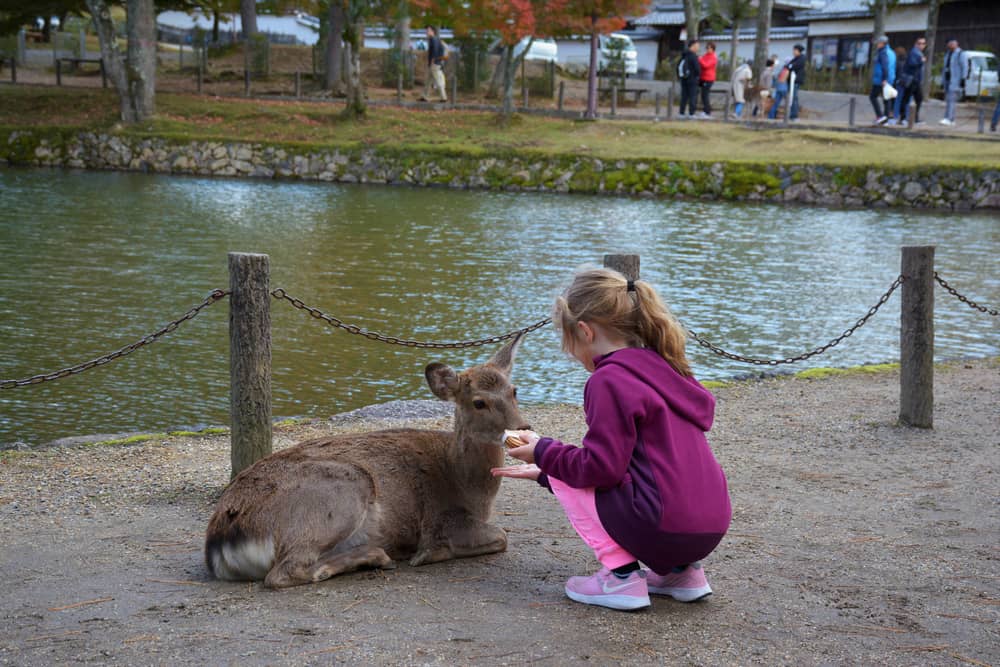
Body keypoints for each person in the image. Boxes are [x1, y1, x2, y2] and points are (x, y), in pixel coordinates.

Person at [492, 268, 732, 611]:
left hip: (663, 526)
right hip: (709, 527)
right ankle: (683, 574)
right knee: (575, 468)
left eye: (567, 343)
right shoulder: (670, 368)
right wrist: (547, 472)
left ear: (585, 332)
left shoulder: (608, 380)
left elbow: (601, 470)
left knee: (570, 466)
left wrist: (543, 452)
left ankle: (621, 579)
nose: (570, 353)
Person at [890, 36, 927, 126]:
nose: (921, 45)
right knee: (909, 98)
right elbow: (912, 64)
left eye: (923, 43)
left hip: (913, 80)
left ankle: (909, 118)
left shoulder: (918, 53)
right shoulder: (914, 53)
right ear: (915, 44)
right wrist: (921, 61)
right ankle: (906, 118)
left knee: (911, 98)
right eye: (919, 43)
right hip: (911, 80)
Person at [939, 38, 969, 126]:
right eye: (949, 44)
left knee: (951, 100)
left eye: (952, 43)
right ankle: (951, 119)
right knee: (948, 100)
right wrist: (942, 81)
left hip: (955, 80)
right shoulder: (948, 54)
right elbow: (945, 68)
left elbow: (965, 66)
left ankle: (948, 118)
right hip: (947, 80)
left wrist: (963, 79)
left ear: (956, 44)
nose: (951, 45)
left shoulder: (961, 54)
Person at [869, 35, 897, 125]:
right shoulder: (892, 52)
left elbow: (885, 67)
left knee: (873, 96)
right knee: (886, 99)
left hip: (881, 79)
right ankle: (886, 119)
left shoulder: (882, 53)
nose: (877, 44)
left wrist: (884, 79)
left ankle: (880, 116)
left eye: (878, 42)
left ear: (882, 43)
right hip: (890, 79)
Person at [420, 26, 448, 103]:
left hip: (435, 64)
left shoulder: (433, 39)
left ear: (433, 32)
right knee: (428, 81)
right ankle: (424, 96)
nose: (426, 32)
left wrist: (432, 61)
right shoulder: (436, 39)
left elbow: (435, 51)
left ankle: (443, 97)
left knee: (438, 80)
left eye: (428, 30)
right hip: (436, 63)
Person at [677, 40, 702, 119]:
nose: (698, 48)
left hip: (684, 78)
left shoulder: (684, 55)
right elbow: (697, 69)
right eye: (697, 46)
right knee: (692, 96)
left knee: (684, 96)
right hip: (692, 79)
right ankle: (691, 113)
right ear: (693, 46)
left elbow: (678, 66)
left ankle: (681, 113)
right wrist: (698, 75)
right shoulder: (693, 56)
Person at [698, 42, 718, 117]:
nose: (707, 49)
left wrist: (700, 59)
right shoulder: (705, 55)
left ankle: (707, 111)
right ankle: (705, 110)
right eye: (706, 48)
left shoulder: (713, 57)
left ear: (713, 49)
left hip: (709, 78)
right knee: (703, 95)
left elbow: (706, 65)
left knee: (705, 95)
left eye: (709, 48)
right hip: (702, 78)